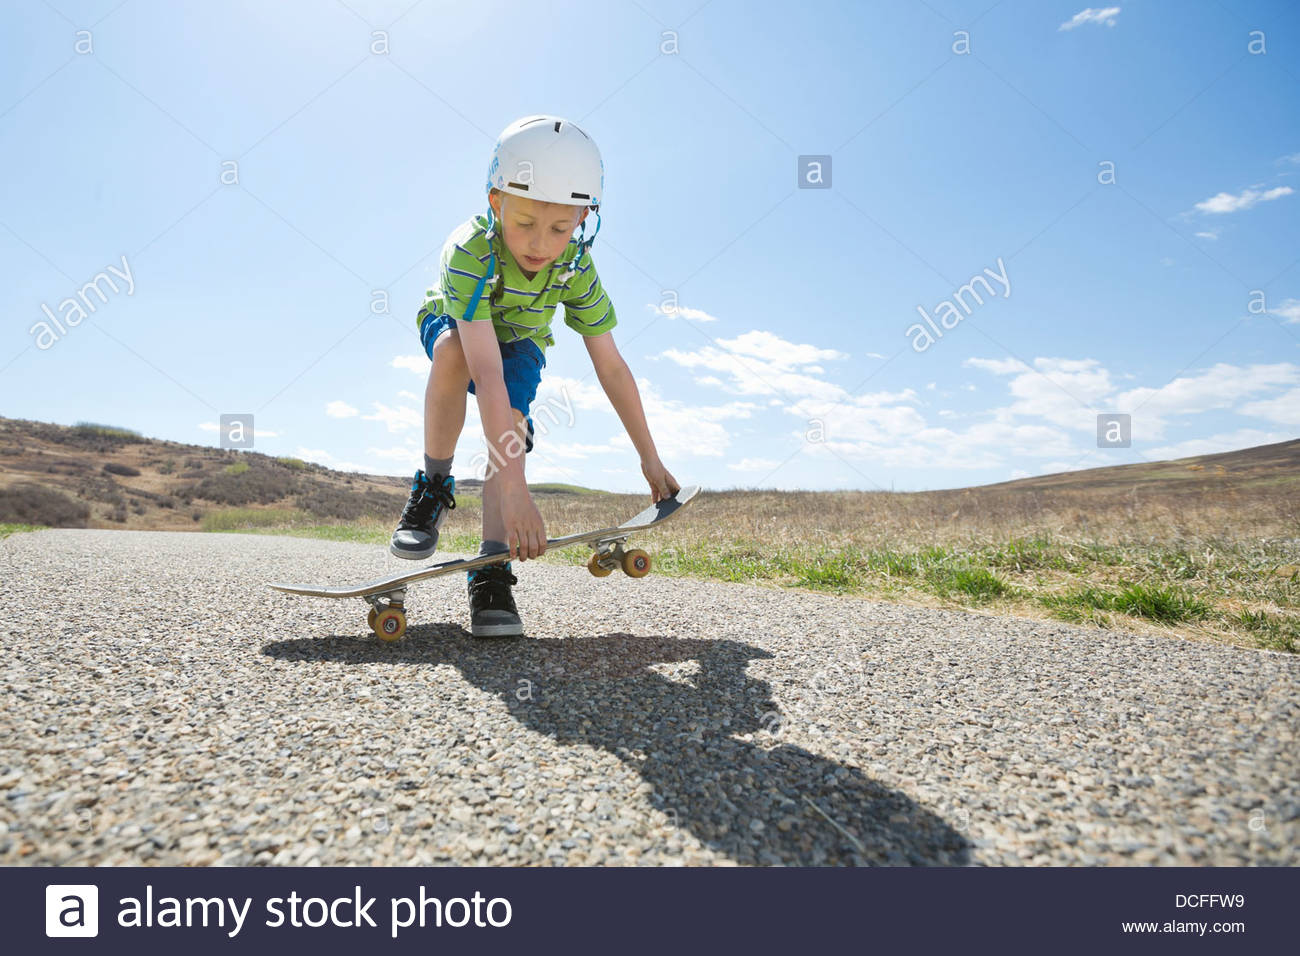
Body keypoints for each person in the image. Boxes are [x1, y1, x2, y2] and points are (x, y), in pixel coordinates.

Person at [391, 114, 680, 638]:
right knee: (455, 354)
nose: (540, 244)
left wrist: (651, 458)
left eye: (559, 227)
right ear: (496, 201)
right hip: (460, 327)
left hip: (520, 343)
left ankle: (491, 570)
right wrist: (519, 492)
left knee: (513, 427)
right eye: (524, 223)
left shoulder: (574, 267)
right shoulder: (471, 252)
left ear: (584, 218)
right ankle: (433, 485)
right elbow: (486, 374)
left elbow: (611, 365)